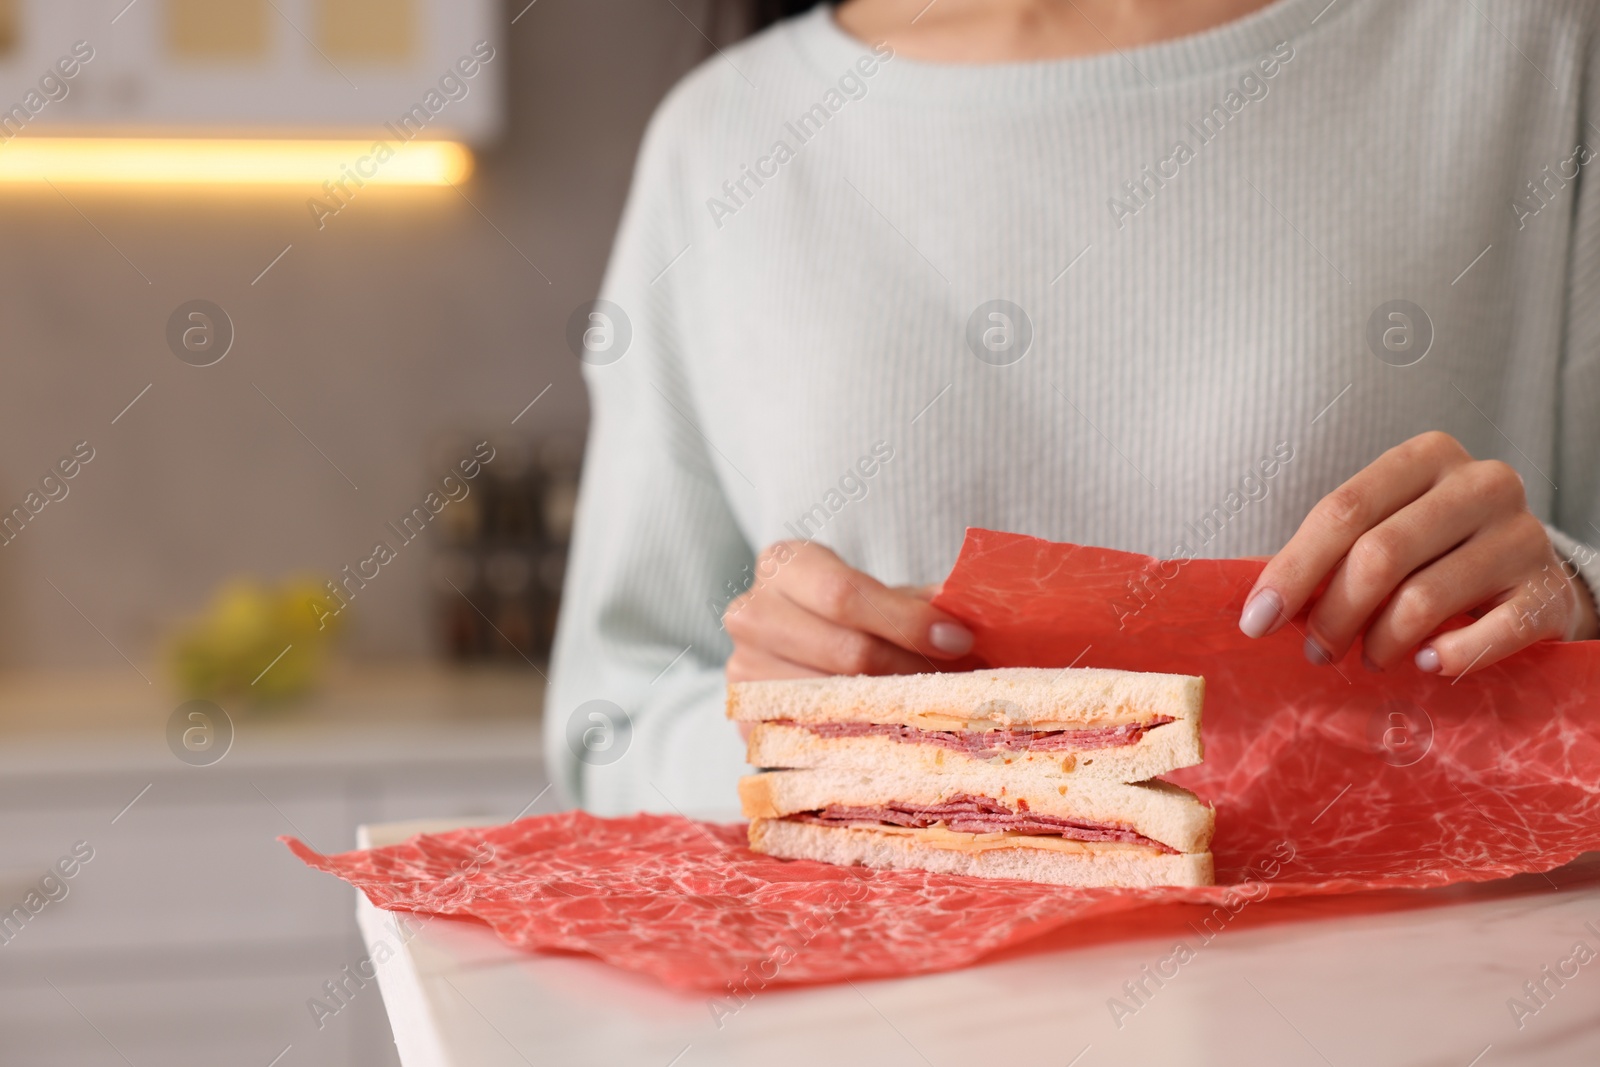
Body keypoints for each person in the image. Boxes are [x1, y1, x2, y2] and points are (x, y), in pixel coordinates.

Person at [547, 0, 1600, 817]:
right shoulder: (721, 143)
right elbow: (609, 723)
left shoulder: (1539, 55)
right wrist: (763, 727)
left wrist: (1574, 599)